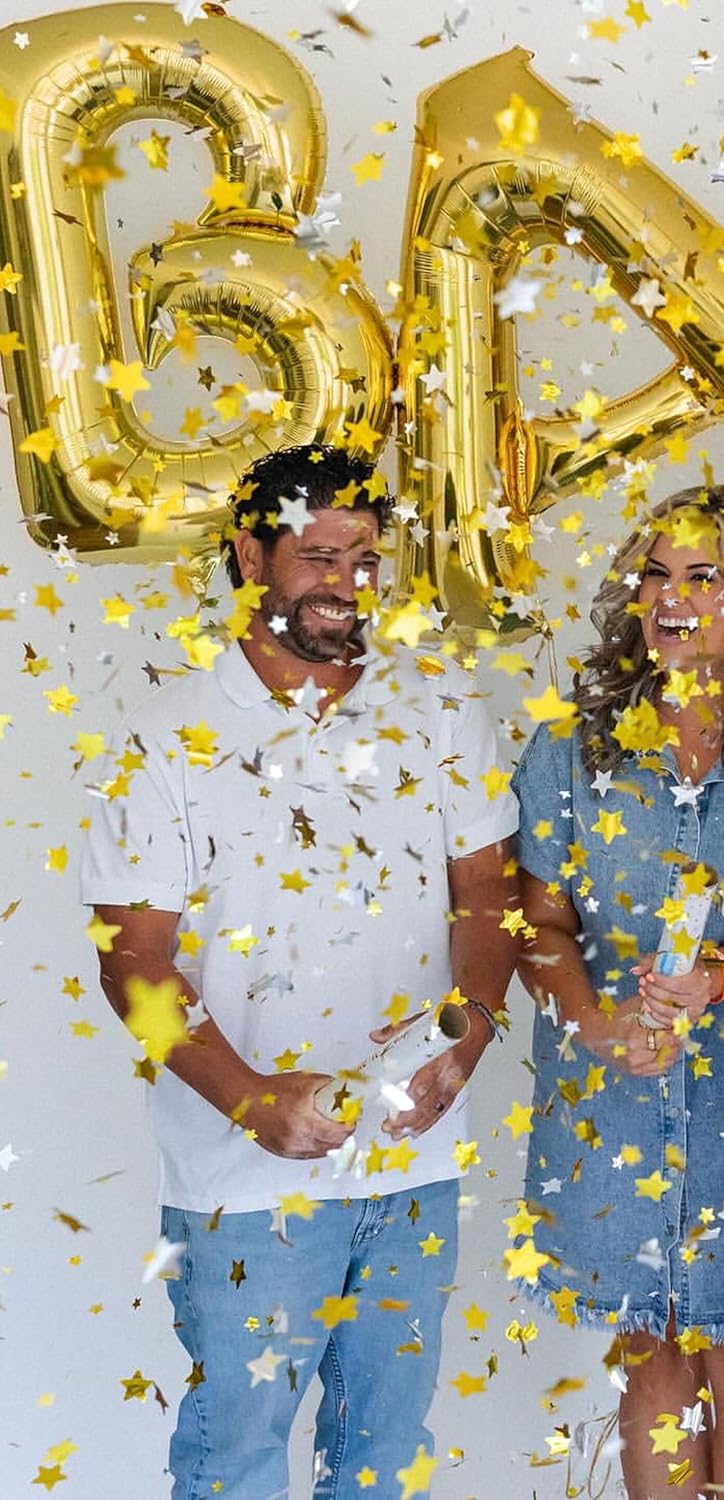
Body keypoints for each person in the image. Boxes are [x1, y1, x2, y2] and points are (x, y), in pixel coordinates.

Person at [81, 445, 520, 1499]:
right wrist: (251, 1103)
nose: (346, 582)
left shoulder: (441, 709)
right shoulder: (166, 739)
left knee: (382, 1465)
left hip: (411, 1170)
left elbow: (487, 896)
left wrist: (466, 1036)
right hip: (243, 1188)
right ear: (250, 557)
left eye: (363, 557)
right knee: (233, 1465)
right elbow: (131, 959)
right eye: (318, 556)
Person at [511, 485, 724, 1497]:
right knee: (652, 1347)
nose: (672, 598)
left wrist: (722, 976)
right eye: (656, 575)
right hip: (613, 1097)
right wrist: (599, 1026)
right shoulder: (572, 743)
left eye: (703, 576)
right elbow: (538, 926)